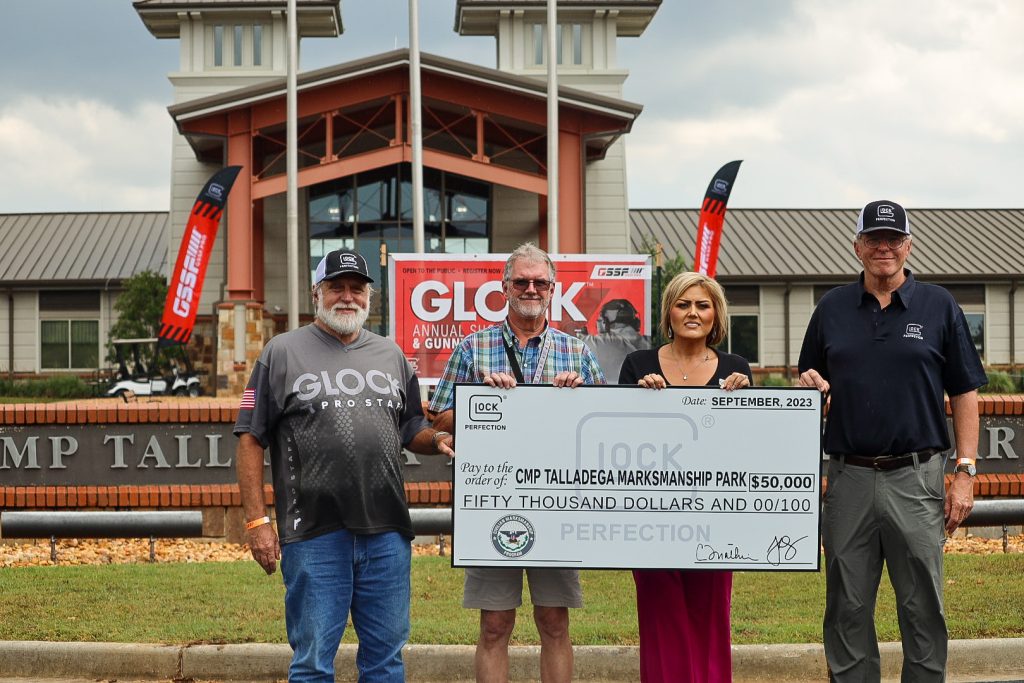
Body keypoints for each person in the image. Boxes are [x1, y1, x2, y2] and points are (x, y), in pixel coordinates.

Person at [234, 248, 455, 683]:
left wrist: (442, 437)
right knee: (314, 663)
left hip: (387, 531)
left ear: (369, 296)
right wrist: (257, 522)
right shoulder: (280, 353)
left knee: (385, 662)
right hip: (314, 532)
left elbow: (411, 427)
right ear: (318, 292)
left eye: (357, 288)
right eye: (337, 286)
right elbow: (249, 436)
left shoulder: (392, 356)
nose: (348, 297)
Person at [798, 200, 986, 682]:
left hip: (917, 477)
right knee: (848, 610)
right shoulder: (831, 309)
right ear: (857, 246)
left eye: (894, 239)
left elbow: (965, 391)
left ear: (909, 245)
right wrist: (810, 388)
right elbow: (808, 379)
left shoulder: (939, 305)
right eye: (874, 239)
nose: (884, 247)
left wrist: (965, 471)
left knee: (923, 609)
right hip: (848, 477)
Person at [429, 242, 605, 683]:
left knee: (554, 621)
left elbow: (604, 422)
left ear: (553, 289)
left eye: (540, 282)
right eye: (521, 281)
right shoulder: (473, 347)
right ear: (504, 287)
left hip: (558, 501)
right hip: (493, 498)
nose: (531, 288)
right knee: (494, 625)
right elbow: (438, 416)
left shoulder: (575, 351)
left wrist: (581, 397)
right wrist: (481, 398)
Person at [617, 271, 751, 683]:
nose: (693, 313)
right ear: (669, 313)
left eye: (702, 305)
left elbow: (750, 448)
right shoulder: (638, 365)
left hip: (714, 518)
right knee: (662, 623)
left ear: (716, 316)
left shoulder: (736, 369)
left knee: (710, 620)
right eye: (683, 304)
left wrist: (749, 402)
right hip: (651, 517)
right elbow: (616, 439)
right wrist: (638, 399)